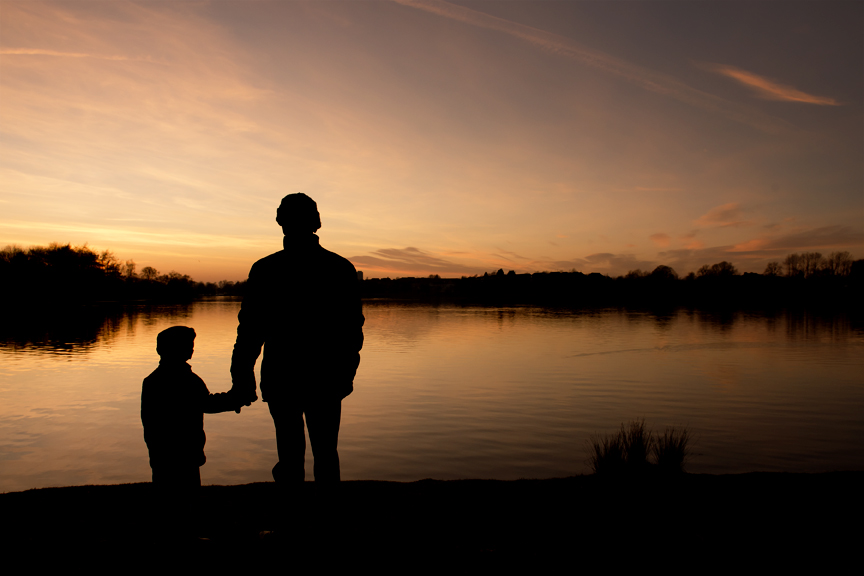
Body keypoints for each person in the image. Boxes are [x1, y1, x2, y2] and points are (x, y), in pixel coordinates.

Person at [230, 193, 364, 485]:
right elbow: (352, 330)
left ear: (279, 220)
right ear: (317, 221)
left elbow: (250, 329)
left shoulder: (266, 268)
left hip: (286, 374)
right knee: (325, 454)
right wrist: (346, 371)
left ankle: (293, 521)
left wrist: (242, 375)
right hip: (323, 375)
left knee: (292, 454)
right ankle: (319, 521)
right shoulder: (339, 267)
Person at [141, 326, 240, 487]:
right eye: (188, 344)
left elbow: (148, 421)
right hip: (185, 452)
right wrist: (235, 399)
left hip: (160, 452)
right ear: (176, 348)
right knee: (187, 494)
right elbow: (207, 404)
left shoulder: (151, 381)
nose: (192, 348)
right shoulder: (188, 380)